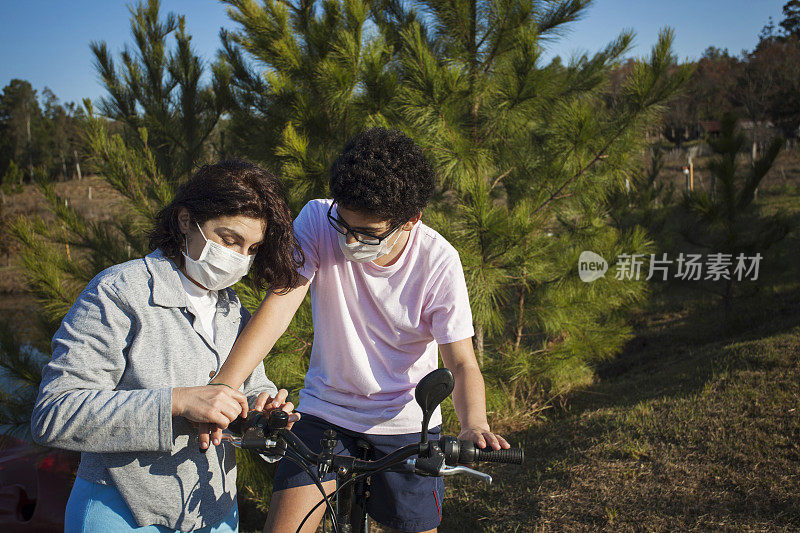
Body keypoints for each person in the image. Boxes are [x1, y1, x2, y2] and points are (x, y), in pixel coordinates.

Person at [209, 129, 510, 533]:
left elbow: (461, 360)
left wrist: (475, 423)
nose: (350, 241)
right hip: (325, 410)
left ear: (411, 220)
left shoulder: (438, 261)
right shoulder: (318, 218)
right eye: (344, 225)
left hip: (406, 422)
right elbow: (279, 307)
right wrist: (224, 387)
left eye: (368, 234)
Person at [31, 160, 302, 533]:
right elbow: (55, 414)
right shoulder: (118, 292)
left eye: (252, 248)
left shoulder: (231, 306)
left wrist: (262, 406)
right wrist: (177, 401)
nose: (240, 259)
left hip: (215, 514)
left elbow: (248, 384)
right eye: (228, 239)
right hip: (120, 512)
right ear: (186, 221)